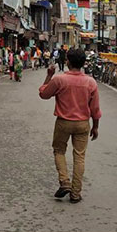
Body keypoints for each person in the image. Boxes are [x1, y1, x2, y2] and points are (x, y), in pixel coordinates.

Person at [38, 48, 101, 204]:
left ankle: (64, 181)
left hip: (63, 122)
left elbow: (43, 94)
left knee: (59, 151)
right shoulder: (90, 82)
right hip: (83, 124)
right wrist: (95, 127)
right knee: (79, 156)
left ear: (68, 62)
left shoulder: (60, 80)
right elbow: (95, 109)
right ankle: (75, 193)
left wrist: (49, 76)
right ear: (83, 63)